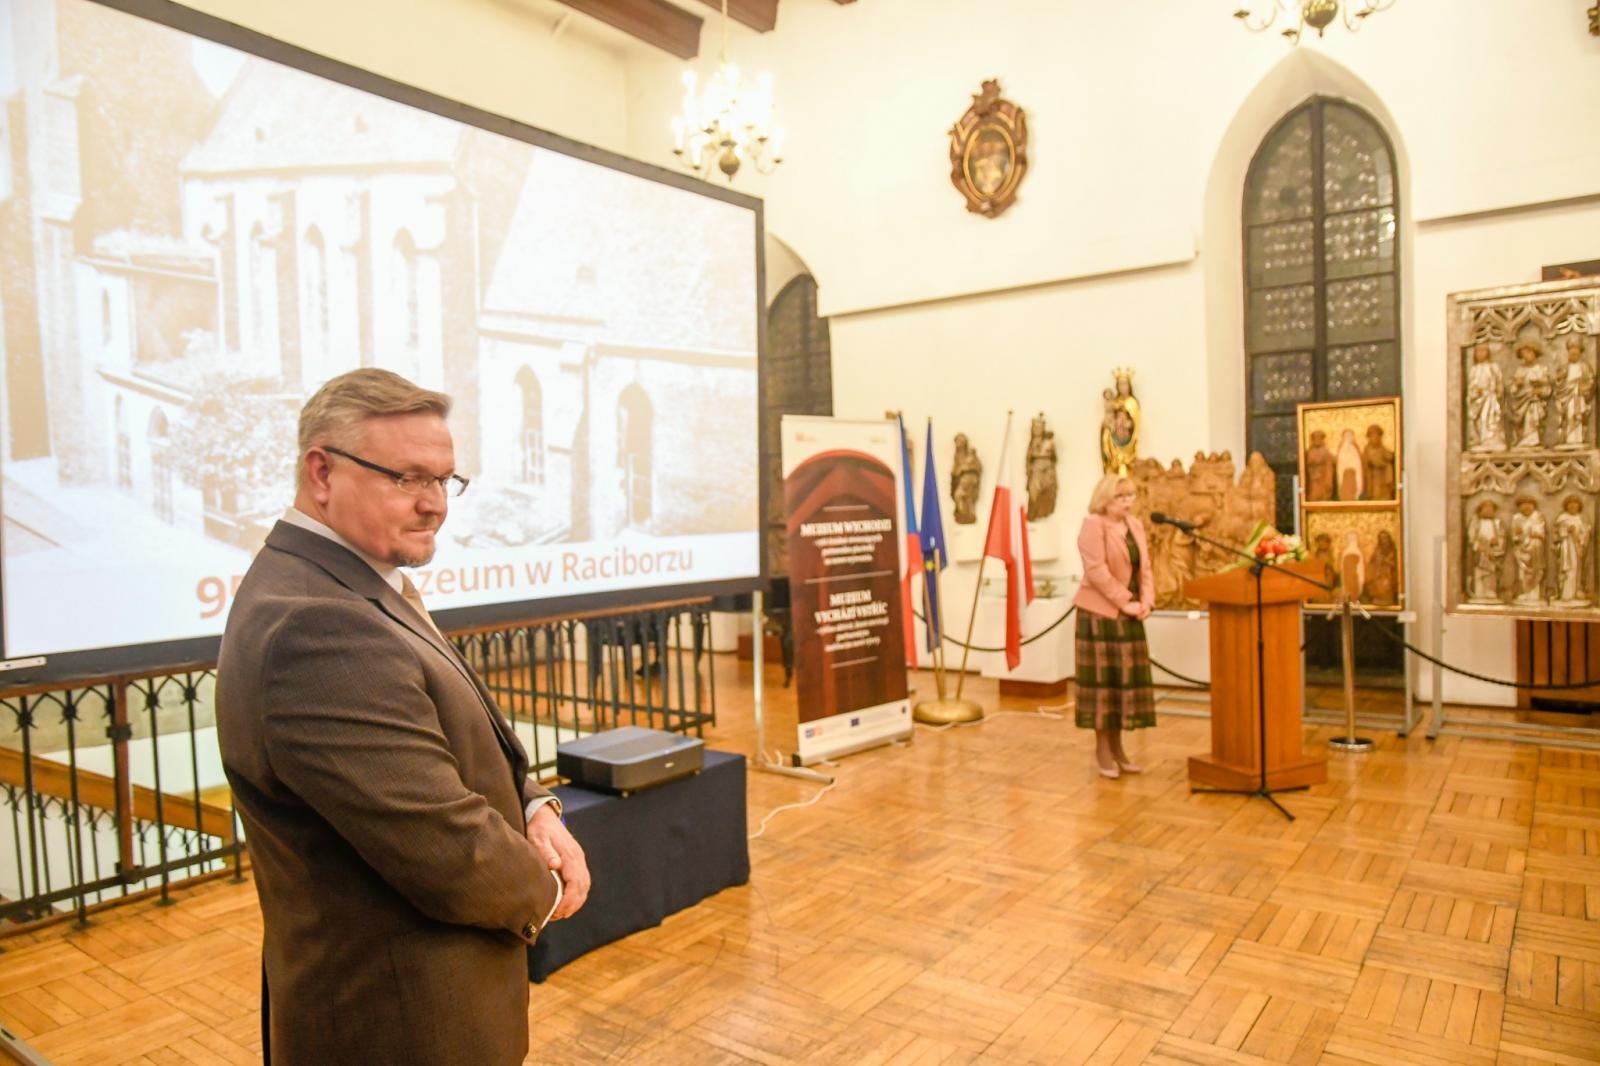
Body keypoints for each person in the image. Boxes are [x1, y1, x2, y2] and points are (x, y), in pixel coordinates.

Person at [216, 369, 591, 1066]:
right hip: (402, 1022)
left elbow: (451, 738)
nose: (434, 506)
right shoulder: (317, 625)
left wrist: (535, 806)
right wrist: (544, 891)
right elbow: (444, 845)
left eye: (445, 481)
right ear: (321, 472)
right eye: (407, 478)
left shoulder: (351, 581)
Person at [1073, 474, 1156, 779]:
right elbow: (1096, 571)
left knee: (1123, 686)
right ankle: (1103, 750)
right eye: (1121, 498)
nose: (1128, 502)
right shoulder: (1093, 525)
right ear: (1104, 500)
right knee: (1103, 688)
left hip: (1130, 613)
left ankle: (1119, 749)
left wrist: (1146, 600)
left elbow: (1144, 567)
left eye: (1131, 496)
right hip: (1100, 615)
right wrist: (1125, 601)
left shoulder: (1134, 525)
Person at [1466, 344, 1506, 452]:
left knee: (1490, 419)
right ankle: (1481, 440)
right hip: (1479, 399)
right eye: (1478, 351)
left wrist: (1498, 392)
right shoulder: (1474, 369)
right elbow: (1471, 387)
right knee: (1480, 420)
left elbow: (1499, 382)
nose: (1481, 354)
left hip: (1491, 398)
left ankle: (1492, 440)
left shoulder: (1493, 367)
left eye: (1484, 351)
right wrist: (1475, 393)